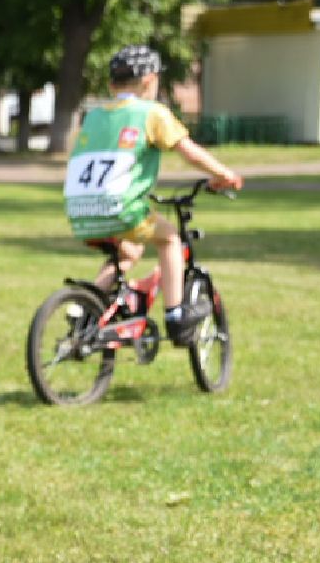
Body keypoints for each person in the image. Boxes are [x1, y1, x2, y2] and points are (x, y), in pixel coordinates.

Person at [63, 45, 243, 347]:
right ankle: (175, 316)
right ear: (150, 80)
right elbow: (189, 152)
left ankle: (87, 307)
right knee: (170, 238)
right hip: (121, 207)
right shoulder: (152, 113)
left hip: (80, 208)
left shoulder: (93, 116)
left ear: (111, 84)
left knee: (128, 253)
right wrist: (224, 174)